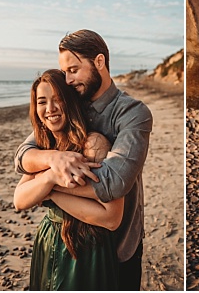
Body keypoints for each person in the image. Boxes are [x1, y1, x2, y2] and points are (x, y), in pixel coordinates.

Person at [14, 29, 153, 290]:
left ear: (99, 62)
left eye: (73, 70)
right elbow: (24, 155)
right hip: (66, 240)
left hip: (120, 242)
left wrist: (47, 184)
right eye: (64, 72)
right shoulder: (69, 104)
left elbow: (114, 184)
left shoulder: (133, 114)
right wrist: (53, 158)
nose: (67, 80)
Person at [14, 69, 122, 290]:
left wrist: (48, 189)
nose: (50, 109)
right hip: (49, 238)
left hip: (86, 247)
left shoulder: (93, 144)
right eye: (42, 102)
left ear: (71, 102)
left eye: (58, 99)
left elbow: (111, 218)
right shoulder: (44, 147)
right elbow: (19, 200)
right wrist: (52, 175)